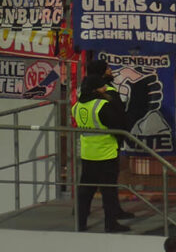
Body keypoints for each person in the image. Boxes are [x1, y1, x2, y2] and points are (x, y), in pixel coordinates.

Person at [71, 63, 130, 232]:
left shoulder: (77, 106)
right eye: (102, 86)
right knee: (108, 192)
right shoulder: (101, 106)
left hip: (88, 154)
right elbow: (118, 124)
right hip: (106, 154)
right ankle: (110, 224)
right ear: (96, 89)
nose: (105, 87)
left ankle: (81, 224)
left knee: (85, 192)